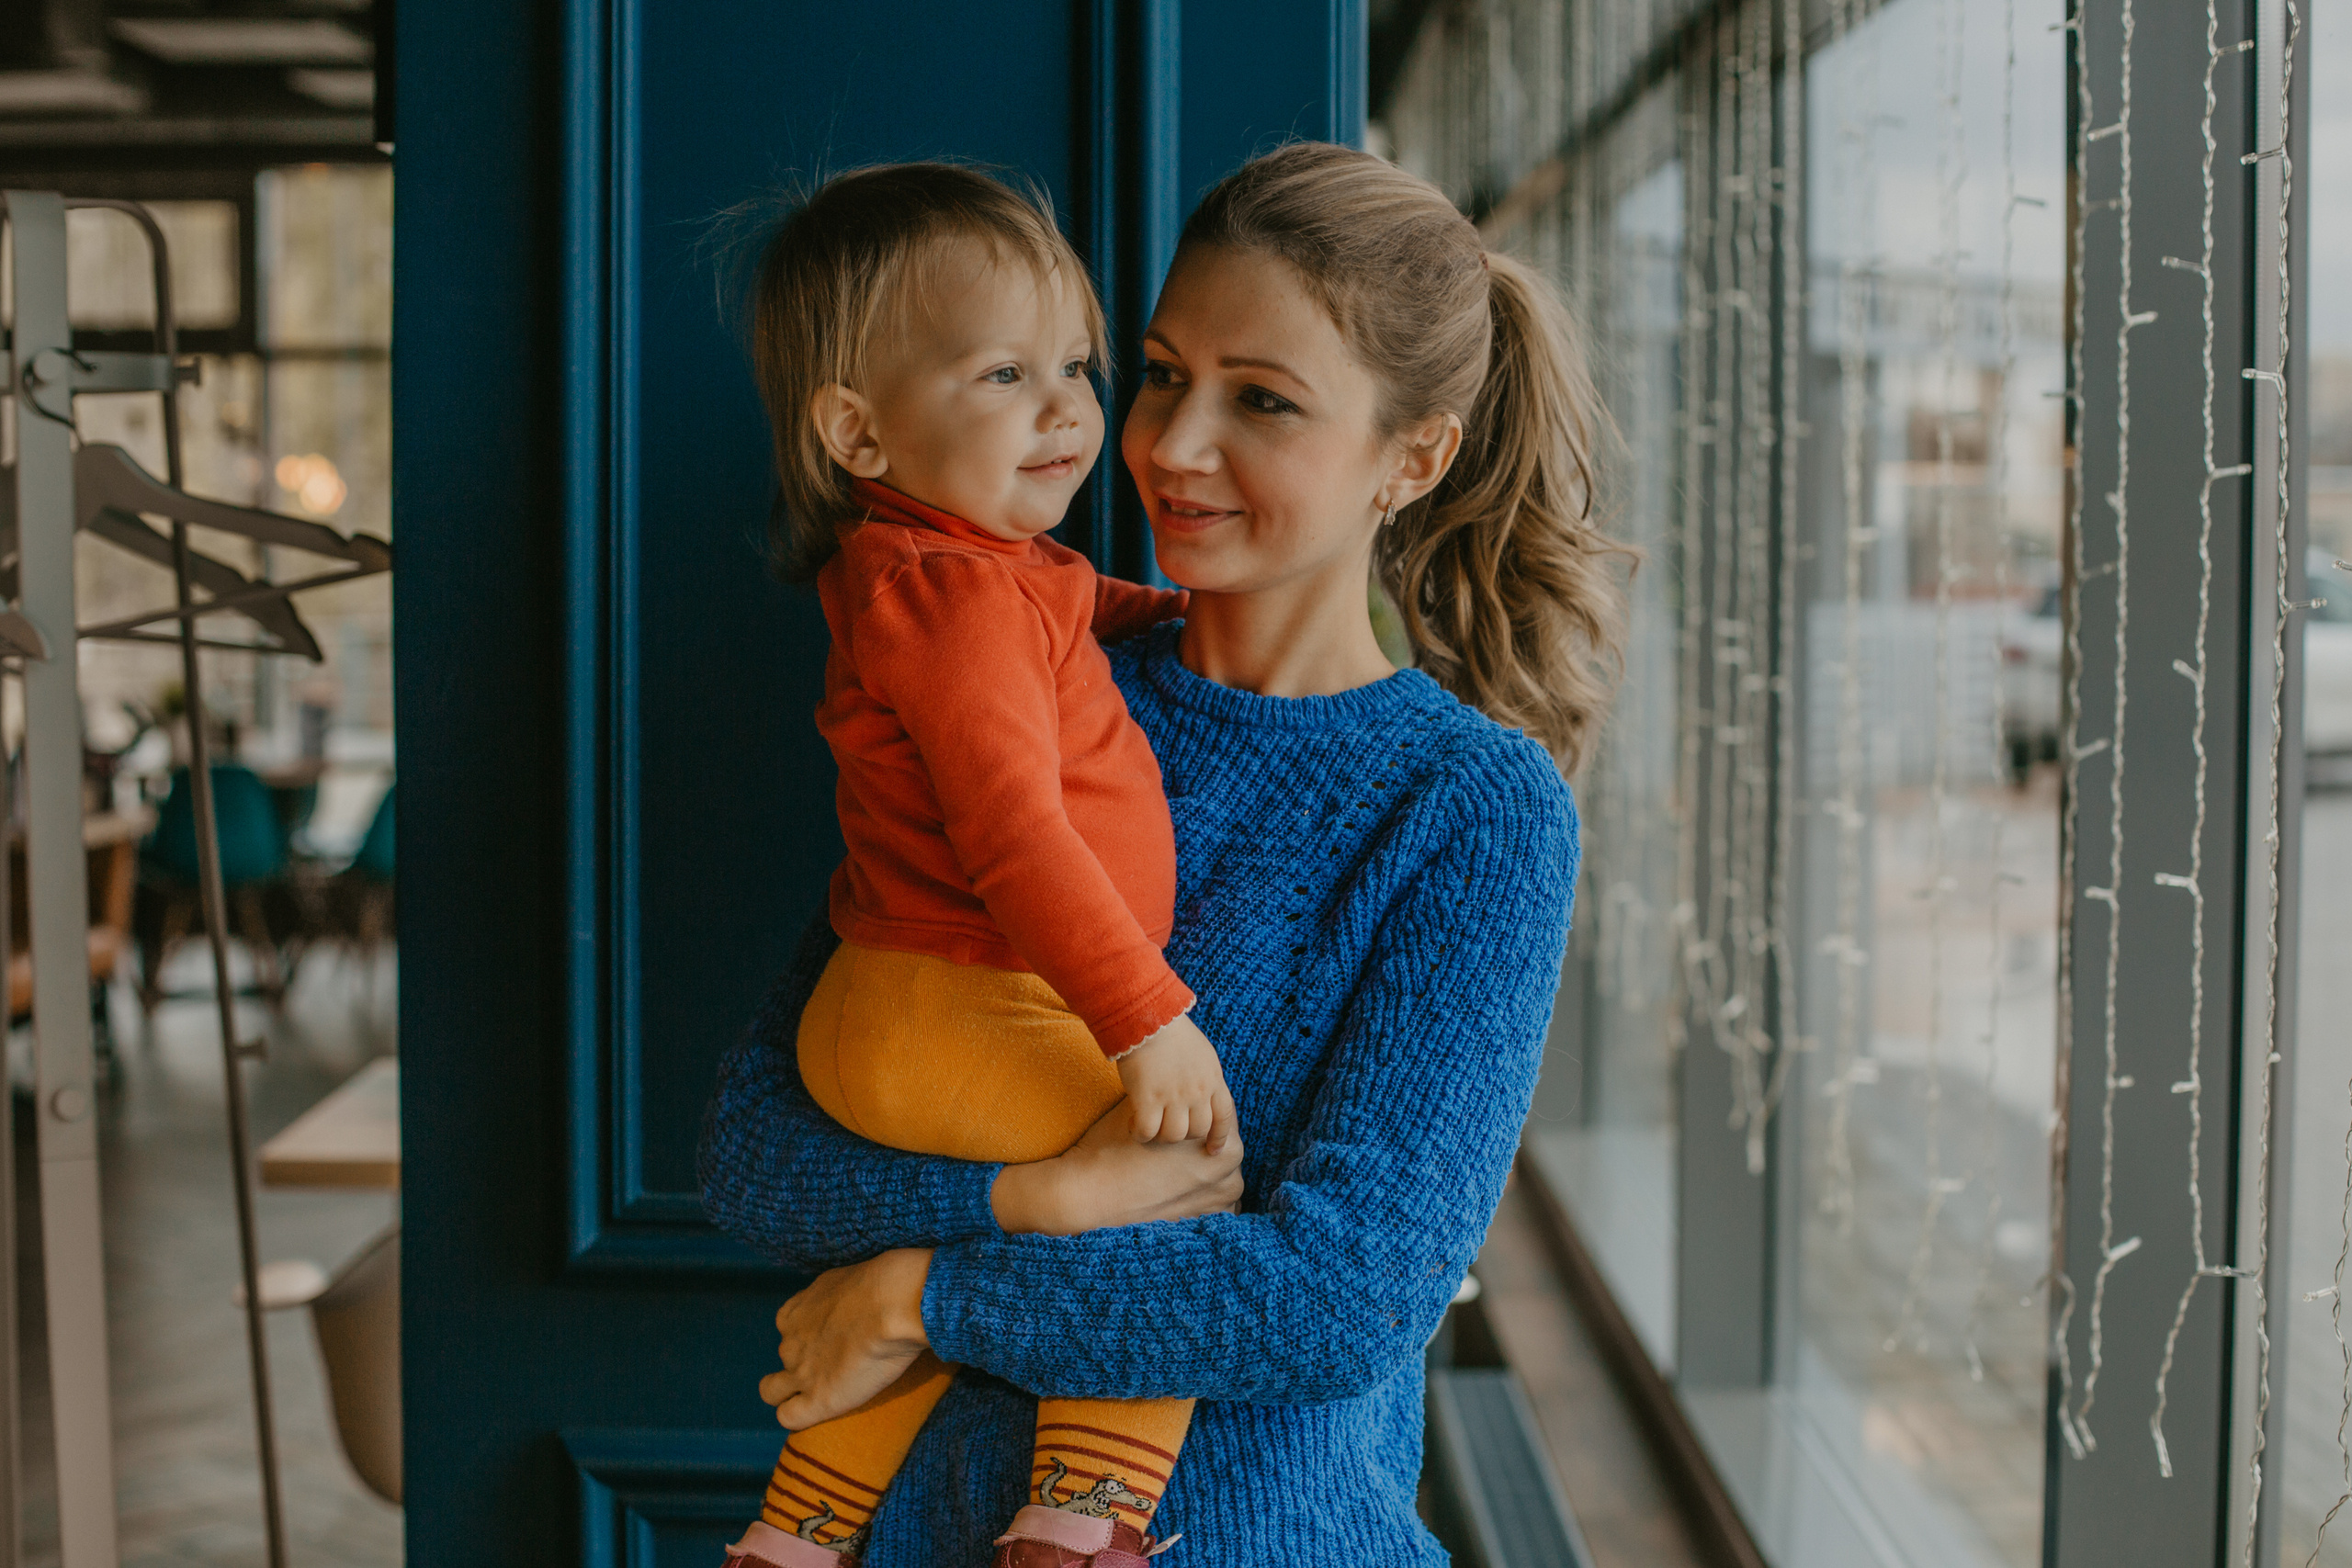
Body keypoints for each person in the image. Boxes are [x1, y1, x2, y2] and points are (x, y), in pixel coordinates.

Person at [703, 141, 1629, 1565]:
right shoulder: (1015, 672)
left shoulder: (1471, 809)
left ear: (1414, 455)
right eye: (1158, 372)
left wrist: (918, 1297)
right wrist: (1041, 1201)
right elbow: (764, 1152)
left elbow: (1339, 1298)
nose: (1168, 446)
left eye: (1261, 401)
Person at [716, 164, 1243, 1568]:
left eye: (1077, 362)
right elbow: (1016, 836)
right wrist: (1149, 1020)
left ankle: (797, 1538)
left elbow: (1070, 615)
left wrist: (1182, 612)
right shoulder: (951, 599)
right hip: (965, 1000)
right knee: (1170, 1187)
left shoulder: (963, 567)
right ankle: (1081, 1525)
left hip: (903, 1003)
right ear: (860, 434)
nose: (1069, 407)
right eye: (1005, 373)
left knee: (969, 1282)